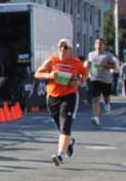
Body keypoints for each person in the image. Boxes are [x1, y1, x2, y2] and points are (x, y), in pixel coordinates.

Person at [34, 38, 89, 167]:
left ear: (70, 50)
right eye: (60, 47)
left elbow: (86, 74)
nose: (62, 50)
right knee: (60, 126)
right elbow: (38, 73)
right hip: (53, 97)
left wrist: (80, 81)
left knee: (65, 126)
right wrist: (49, 75)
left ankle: (60, 155)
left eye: (65, 47)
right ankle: (69, 141)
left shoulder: (75, 62)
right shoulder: (52, 60)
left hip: (69, 96)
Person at [84, 38, 117, 127]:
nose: (99, 44)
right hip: (95, 79)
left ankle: (107, 103)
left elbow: (114, 66)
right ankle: (96, 118)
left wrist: (104, 65)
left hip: (106, 80)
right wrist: (87, 67)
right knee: (96, 98)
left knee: (106, 96)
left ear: (104, 45)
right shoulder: (91, 55)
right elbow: (89, 65)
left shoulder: (108, 55)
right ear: (95, 45)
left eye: (101, 43)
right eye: (97, 43)